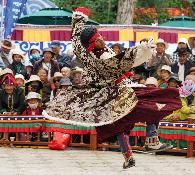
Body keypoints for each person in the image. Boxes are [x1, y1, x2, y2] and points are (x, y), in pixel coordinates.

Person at [43, 7, 181, 169]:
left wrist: (78, 18)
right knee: (156, 101)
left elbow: (75, 35)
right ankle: (151, 140)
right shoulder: (103, 58)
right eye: (99, 38)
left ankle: (129, 156)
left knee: (119, 125)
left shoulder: (83, 50)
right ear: (94, 42)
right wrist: (143, 47)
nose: (102, 39)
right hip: (117, 94)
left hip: (105, 95)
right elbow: (124, 61)